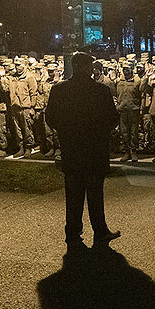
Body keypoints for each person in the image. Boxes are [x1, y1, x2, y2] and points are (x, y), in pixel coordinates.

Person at [46, 52, 120, 253]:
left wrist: (66, 132)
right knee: (95, 194)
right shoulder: (100, 91)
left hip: (72, 150)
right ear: (87, 68)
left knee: (74, 195)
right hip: (95, 150)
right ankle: (100, 230)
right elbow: (112, 118)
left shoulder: (59, 90)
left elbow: (50, 118)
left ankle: (72, 233)